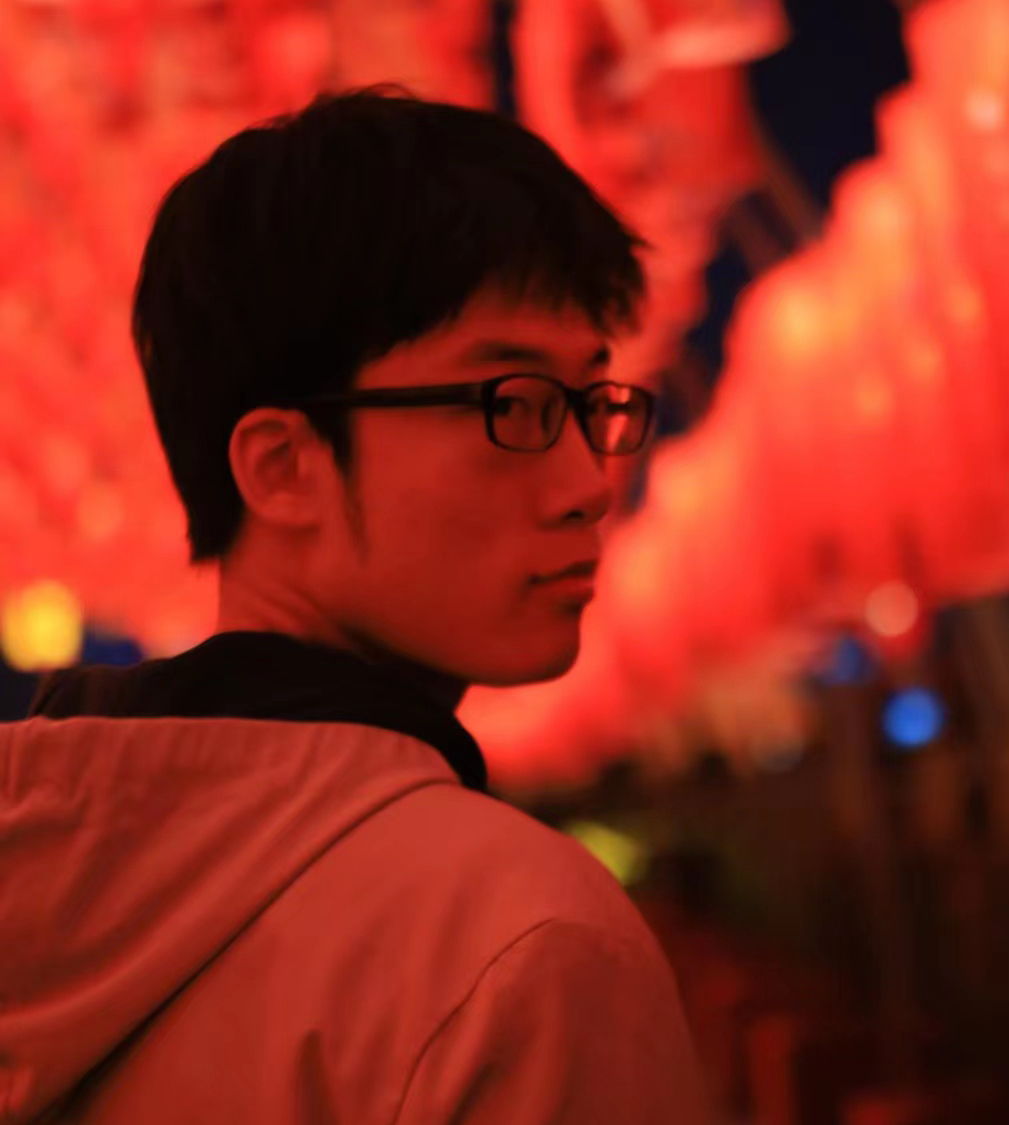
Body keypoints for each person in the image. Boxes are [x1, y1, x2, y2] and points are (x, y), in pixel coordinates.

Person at [0, 89, 711, 1124]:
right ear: (283, 467)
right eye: (513, 405)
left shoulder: (50, 858)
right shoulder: (522, 944)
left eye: (594, 403)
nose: (586, 485)